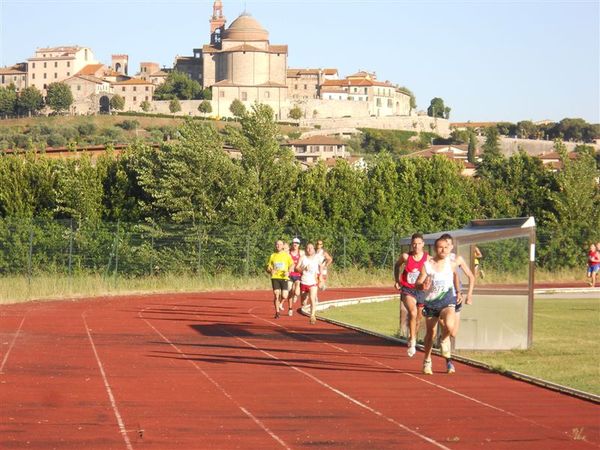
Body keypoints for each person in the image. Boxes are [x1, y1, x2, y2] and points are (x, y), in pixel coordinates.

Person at [416, 236, 471, 375]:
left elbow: (456, 276)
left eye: (446, 247)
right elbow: (418, 282)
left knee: (450, 326)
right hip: (432, 302)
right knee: (431, 333)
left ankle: (444, 339)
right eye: (440, 247)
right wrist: (422, 285)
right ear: (435, 249)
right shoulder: (427, 265)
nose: (443, 250)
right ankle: (427, 360)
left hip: (448, 300)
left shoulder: (452, 263)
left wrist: (459, 291)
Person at [440, 234, 475, 371]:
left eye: (448, 245)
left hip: (457, 297)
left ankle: (443, 327)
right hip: (442, 298)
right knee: (448, 328)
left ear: (452, 246)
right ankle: (449, 362)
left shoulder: (457, 259)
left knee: (453, 333)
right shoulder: (437, 261)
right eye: (444, 245)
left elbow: (471, 276)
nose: (446, 248)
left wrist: (469, 295)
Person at [394, 233, 429, 358]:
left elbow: (432, 273)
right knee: (413, 312)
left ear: (423, 244)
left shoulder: (427, 258)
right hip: (407, 289)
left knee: (418, 318)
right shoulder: (405, 256)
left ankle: (412, 336)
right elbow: (397, 265)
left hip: (421, 291)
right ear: (411, 245)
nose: (416, 246)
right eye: (414, 244)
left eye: (419, 244)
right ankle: (413, 343)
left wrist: (429, 283)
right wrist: (397, 280)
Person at [266, 240, 295, 319]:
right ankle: (277, 312)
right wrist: (271, 270)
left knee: (284, 295)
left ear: (283, 246)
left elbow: (292, 264)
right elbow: (268, 267)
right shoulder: (272, 255)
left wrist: (289, 272)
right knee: (276, 294)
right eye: (277, 244)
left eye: (280, 244)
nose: (278, 246)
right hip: (275, 277)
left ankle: (280, 304)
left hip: (284, 277)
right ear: (275, 246)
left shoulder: (286, 255)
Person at [297, 242, 324, 324]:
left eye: (311, 248)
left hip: (313, 282)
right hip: (304, 281)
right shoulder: (303, 258)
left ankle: (312, 316)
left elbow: (321, 266)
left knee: (312, 298)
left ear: (313, 249)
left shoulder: (317, 257)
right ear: (306, 249)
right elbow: (296, 268)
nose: (309, 249)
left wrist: (321, 276)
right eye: (308, 248)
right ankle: (306, 303)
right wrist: (303, 269)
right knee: (303, 302)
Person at [287, 237, 305, 315]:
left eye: (297, 243)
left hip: (298, 274)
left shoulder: (301, 253)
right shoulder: (288, 253)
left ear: (299, 245)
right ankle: (290, 308)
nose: (295, 244)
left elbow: (305, 261)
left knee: (297, 292)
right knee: (290, 290)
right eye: (294, 243)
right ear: (292, 243)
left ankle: (296, 295)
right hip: (290, 274)